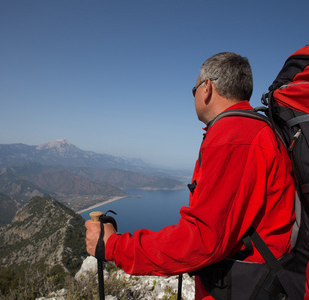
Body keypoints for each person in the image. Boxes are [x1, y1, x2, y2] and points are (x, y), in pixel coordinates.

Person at [85, 52, 296, 299]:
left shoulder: (234, 137)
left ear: (207, 87)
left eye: (193, 88)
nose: (194, 94)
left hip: (245, 288)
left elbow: (203, 239)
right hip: (254, 283)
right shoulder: (255, 129)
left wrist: (113, 246)